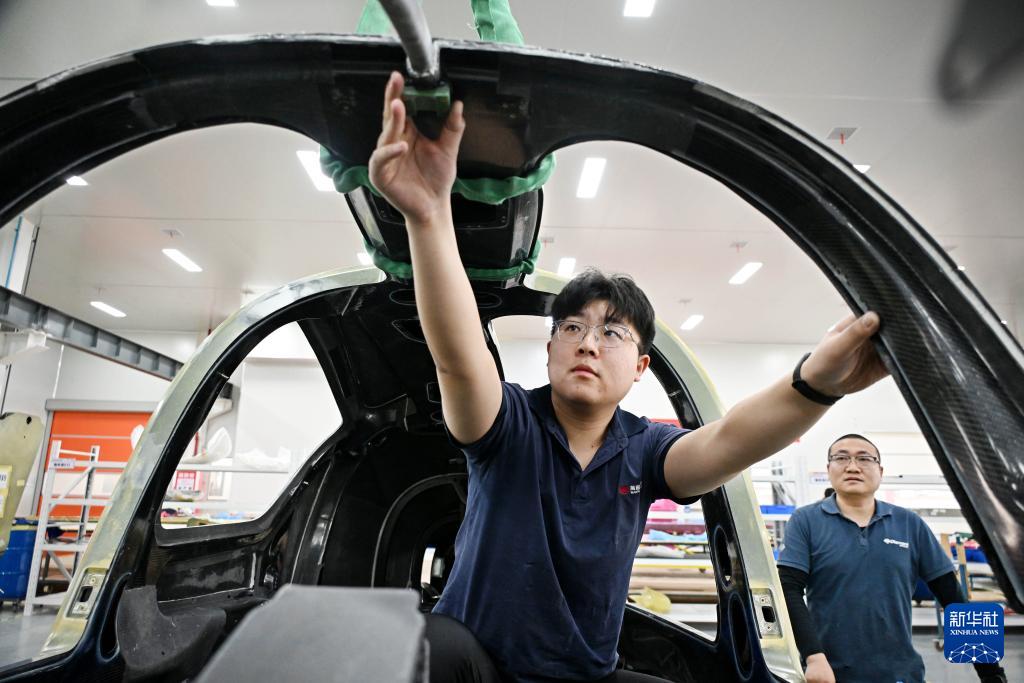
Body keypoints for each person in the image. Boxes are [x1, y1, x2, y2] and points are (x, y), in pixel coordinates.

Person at [368, 71, 889, 683]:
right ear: (551, 348)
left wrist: (818, 386)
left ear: (641, 367)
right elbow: (458, 358)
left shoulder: (643, 450)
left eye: (612, 333)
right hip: (478, 667)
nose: (589, 342)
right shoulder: (507, 424)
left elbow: (728, 442)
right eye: (572, 328)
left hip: (587, 673)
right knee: (422, 645)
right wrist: (429, 216)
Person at [777, 434, 1008, 683]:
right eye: (841, 458)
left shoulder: (909, 524)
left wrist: (992, 673)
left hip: (901, 674)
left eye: (864, 458)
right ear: (828, 468)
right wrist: (813, 657)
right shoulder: (806, 521)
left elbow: (953, 598)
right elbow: (788, 589)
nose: (852, 467)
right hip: (829, 674)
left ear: (880, 471)